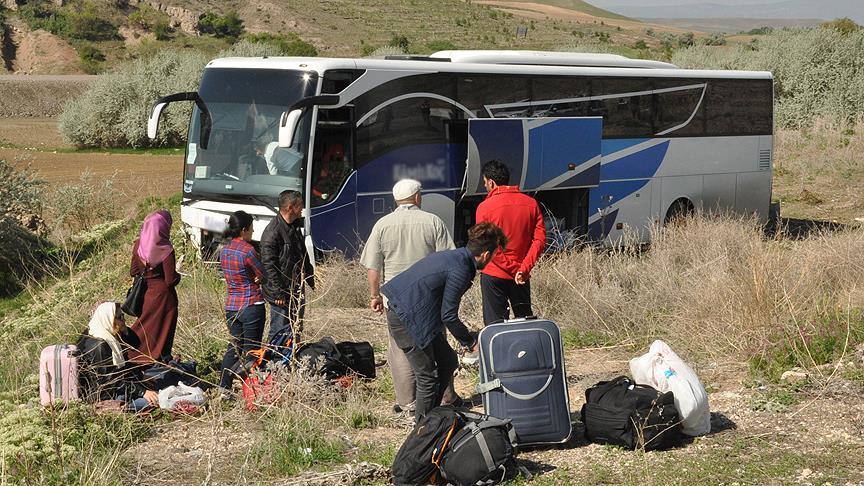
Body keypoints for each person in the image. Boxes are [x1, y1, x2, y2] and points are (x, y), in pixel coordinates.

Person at [381, 222, 507, 421]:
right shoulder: (461, 268)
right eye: (493, 256)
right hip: (406, 318)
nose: (491, 260)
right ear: (485, 254)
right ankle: (422, 431)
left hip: (416, 316)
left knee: (448, 360)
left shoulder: (456, 257)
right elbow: (448, 315)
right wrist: (469, 342)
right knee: (427, 377)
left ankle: (434, 416)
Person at [359, 179, 457, 413]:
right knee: (437, 345)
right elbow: (449, 260)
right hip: (429, 298)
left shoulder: (382, 225)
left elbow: (373, 268)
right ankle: (446, 397)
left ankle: (406, 402)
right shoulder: (433, 221)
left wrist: (375, 295)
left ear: (395, 199)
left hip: (396, 299)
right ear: (417, 197)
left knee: (401, 350)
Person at [474, 159, 546, 326]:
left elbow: (487, 245)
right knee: (525, 321)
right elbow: (540, 240)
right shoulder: (531, 204)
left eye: (485, 183)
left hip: (494, 275)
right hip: (521, 276)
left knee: (495, 326)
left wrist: (513, 268)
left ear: (491, 183)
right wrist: (522, 269)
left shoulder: (485, 207)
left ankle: (499, 353)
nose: (485, 186)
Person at [77, 302, 159, 412]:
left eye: (123, 316)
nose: (124, 320)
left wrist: (124, 331)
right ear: (109, 320)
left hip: (118, 386)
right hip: (105, 398)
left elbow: (135, 343)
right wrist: (142, 392)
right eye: (120, 317)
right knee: (156, 400)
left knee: (155, 378)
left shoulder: (102, 332)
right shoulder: (100, 345)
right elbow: (112, 381)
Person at [218, 211, 266, 397]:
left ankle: (224, 387)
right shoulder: (248, 250)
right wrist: (257, 278)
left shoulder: (225, 250)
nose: (253, 232)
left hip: (232, 306)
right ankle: (250, 391)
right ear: (244, 229)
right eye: (252, 229)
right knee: (251, 349)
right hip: (251, 304)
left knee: (234, 347)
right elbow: (262, 274)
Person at [261, 190, 314, 350]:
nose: (303, 209)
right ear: (291, 207)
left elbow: (301, 255)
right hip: (281, 293)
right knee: (279, 331)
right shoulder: (273, 232)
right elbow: (268, 265)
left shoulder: (293, 227)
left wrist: (309, 276)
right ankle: (274, 364)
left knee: (295, 328)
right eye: (300, 206)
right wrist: (278, 293)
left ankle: (291, 358)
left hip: (295, 288)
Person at [128, 210, 180, 364]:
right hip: (164, 298)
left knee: (144, 328)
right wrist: (179, 275)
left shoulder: (138, 244)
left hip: (146, 295)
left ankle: (133, 355)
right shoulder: (166, 249)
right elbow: (170, 280)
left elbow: (134, 271)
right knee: (164, 331)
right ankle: (159, 361)